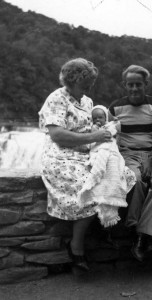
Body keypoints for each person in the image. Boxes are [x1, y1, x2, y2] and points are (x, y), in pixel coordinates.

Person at [38, 58, 112, 271]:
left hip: (84, 152)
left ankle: (103, 230)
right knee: (87, 187)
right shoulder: (57, 98)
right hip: (60, 155)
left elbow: (91, 129)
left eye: (91, 82)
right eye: (85, 82)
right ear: (71, 81)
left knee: (115, 176)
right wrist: (93, 137)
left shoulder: (87, 102)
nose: (89, 87)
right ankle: (76, 245)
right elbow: (58, 135)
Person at [108, 65, 152, 262]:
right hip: (127, 154)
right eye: (130, 84)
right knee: (135, 180)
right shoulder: (115, 108)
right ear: (125, 85)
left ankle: (142, 234)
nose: (134, 88)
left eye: (138, 85)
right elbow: (109, 137)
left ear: (146, 85)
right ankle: (140, 232)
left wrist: (150, 160)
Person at [77, 105, 136, 228]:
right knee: (99, 163)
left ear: (105, 118)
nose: (97, 120)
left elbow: (117, 128)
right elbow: (92, 140)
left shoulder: (109, 126)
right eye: (94, 118)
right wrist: (95, 129)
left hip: (110, 150)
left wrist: (115, 120)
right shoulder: (93, 128)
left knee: (114, 166)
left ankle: (110, 196)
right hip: (98, 150)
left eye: (100, 117)